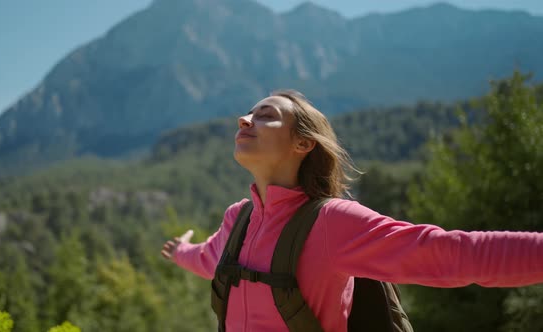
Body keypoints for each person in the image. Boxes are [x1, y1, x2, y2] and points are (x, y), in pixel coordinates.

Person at [161, 90, 543, 331]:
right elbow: (209, 259)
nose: (245, 119)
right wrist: (180, 251)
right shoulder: (238, 219)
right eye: (248, 113)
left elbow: (453, 254)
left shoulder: (333, 223)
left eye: (265, 115)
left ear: (303, 144)